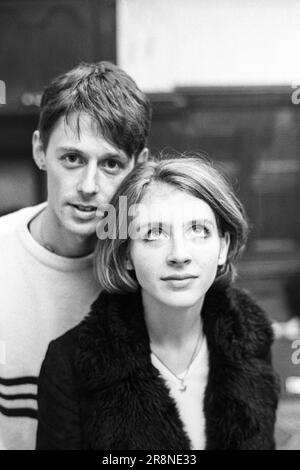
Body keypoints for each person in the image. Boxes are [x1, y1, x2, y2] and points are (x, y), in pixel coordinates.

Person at [37, 155, 279, 450]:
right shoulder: (69, 364)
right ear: (125, 254)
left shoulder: (250, 341)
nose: (179, 254)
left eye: (198, 231)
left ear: (223, 247)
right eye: (154, 233)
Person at [0, 61, 151, 449]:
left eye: (111, 164)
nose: (88, 186)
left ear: (139, 168)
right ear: (39, 150)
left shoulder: (148, 266)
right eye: (72, 158)